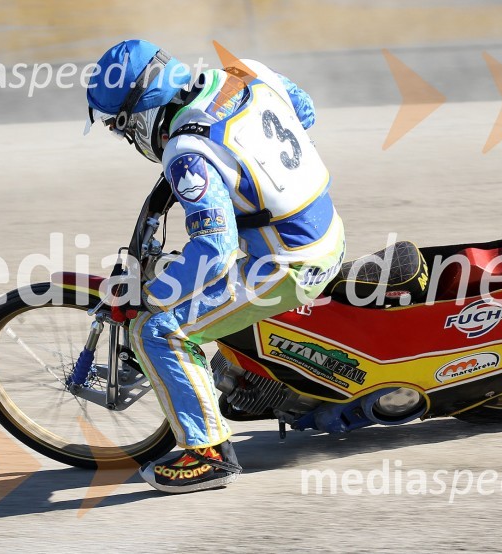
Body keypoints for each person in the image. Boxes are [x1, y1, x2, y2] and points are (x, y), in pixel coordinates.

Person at [86, 40, 345, 493]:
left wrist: (151, 295)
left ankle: (208, 454)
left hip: (290, 264)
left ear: (140, 115)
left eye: (121, 128)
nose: (127, 140)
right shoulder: (246, 72)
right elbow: (304, 111)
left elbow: (215, 250)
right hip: (324, 228)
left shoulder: (187, 153)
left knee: (158, 328)